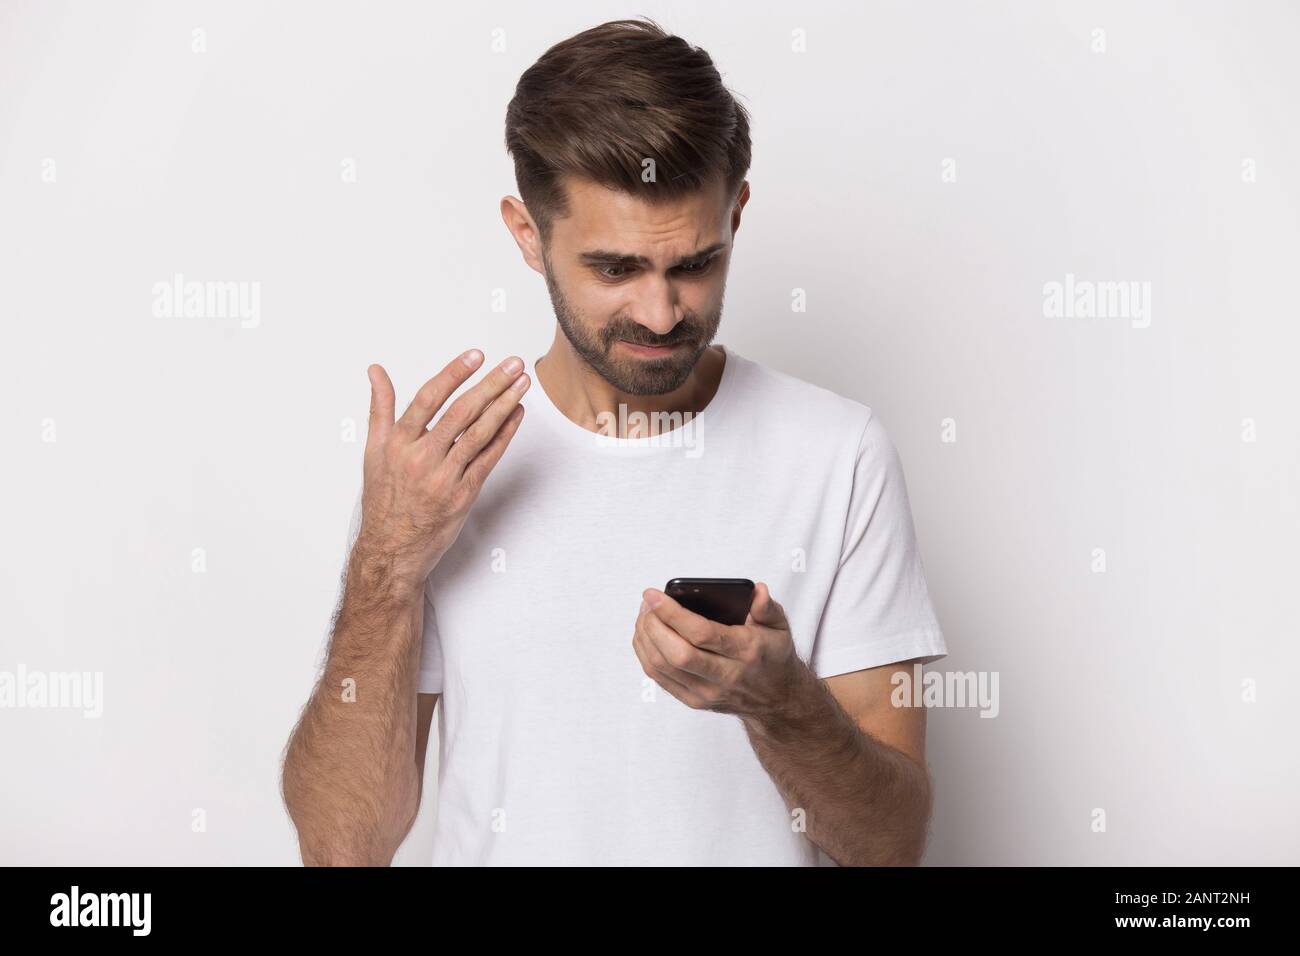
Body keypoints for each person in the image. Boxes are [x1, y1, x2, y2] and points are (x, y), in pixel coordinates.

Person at [282, 17, 947, 866]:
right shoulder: (439, 474)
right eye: (616, 270)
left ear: (737, 213)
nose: (663, 315)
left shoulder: (838, 455)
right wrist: (387, 559)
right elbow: (343, 847)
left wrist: (784, 706)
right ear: (528, 236)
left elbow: (890, 848)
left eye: (695, 264)